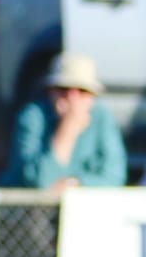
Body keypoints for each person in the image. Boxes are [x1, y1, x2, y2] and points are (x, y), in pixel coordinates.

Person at [8, 53, 127, 190]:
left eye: (82, 91)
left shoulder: (102, 117)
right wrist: (67, 131)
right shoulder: (33, 116)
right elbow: (40, 182)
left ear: (92, 96)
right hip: (33, 209)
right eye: (63, 89)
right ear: (51, 91)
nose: (72, 97)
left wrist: (75, 184)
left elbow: (115, 176)